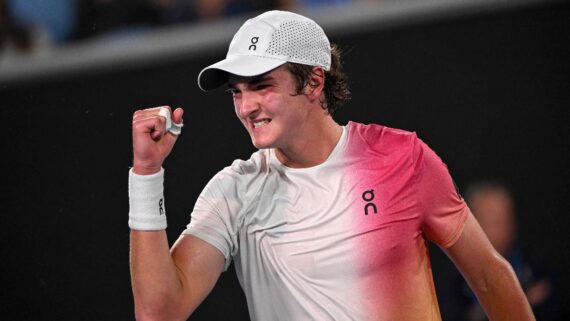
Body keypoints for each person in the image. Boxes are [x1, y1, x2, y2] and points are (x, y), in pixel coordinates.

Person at [128, 10, 535, 321]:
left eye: (262, 86)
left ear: (314, 83)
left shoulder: (403, 158)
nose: (246, 107)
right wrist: (147, 175)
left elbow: (488, 276)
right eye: (237, 92)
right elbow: (159, 313)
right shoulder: (233, 191)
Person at [449, 181, 558, 321]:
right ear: (473, 223)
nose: (504, 227)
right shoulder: (455, 280)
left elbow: (551, 307)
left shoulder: (534, 267)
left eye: (507, 218)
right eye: (494, 220)